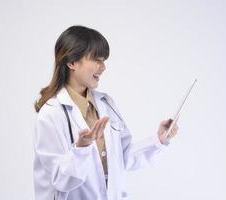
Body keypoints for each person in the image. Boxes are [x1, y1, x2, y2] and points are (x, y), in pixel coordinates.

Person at [33, 25, 178, 200]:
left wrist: (159, 140)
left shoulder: (106, 103)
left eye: (103, 61)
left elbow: (123, 158)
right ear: (71, 62)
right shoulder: (51, 114)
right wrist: (82, 148)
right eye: (96, 60)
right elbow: (60, 180)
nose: (103, 68)